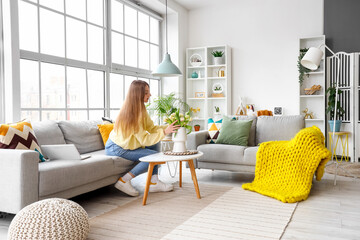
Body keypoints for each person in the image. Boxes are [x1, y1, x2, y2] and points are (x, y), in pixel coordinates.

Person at [105, 80, 180, 196]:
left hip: (126, 144)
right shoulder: (132, 115)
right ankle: (124, 180)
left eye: (148, 92)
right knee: (154, 156)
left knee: (155, 143)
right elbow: (145, 139)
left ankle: (154, 183)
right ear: (137, 94)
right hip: (116, 147)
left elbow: (151, 128)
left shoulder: (141, 108)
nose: (149, 95)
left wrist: (169, 127)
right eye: (146, 93)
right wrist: (165, 132)